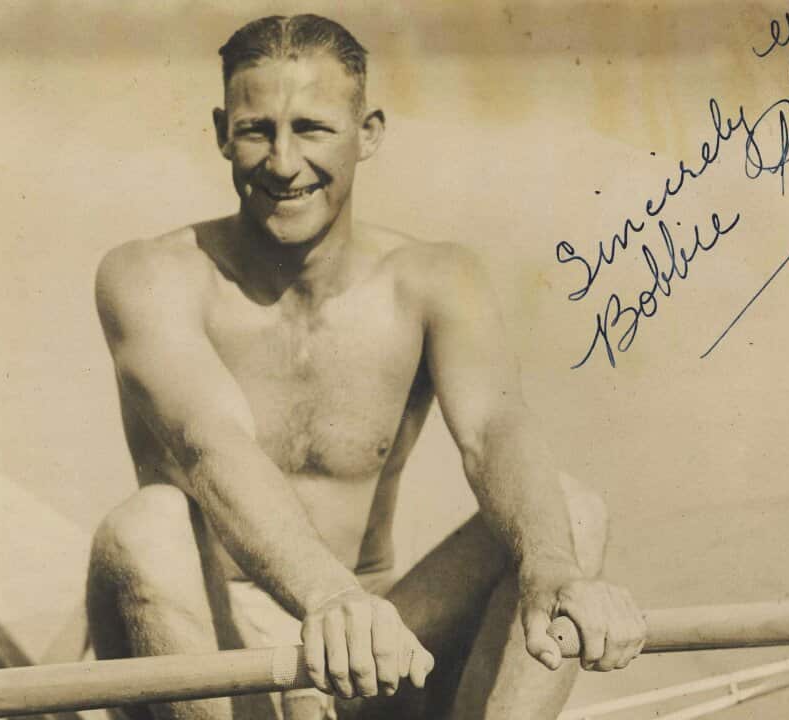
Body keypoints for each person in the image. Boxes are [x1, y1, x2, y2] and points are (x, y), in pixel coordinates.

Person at [87, 14, 646, 720]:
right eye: (258, 130)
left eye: (313, 129)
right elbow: (210, 445)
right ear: (222, 131)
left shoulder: (434, 278)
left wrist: (553, 571)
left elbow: (493, 431)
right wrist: (330, 600)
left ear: (370, 132)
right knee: (147, 523)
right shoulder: (149, 275)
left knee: (570, 513)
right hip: (225, 652)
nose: (284, 163)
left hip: (376, 648)